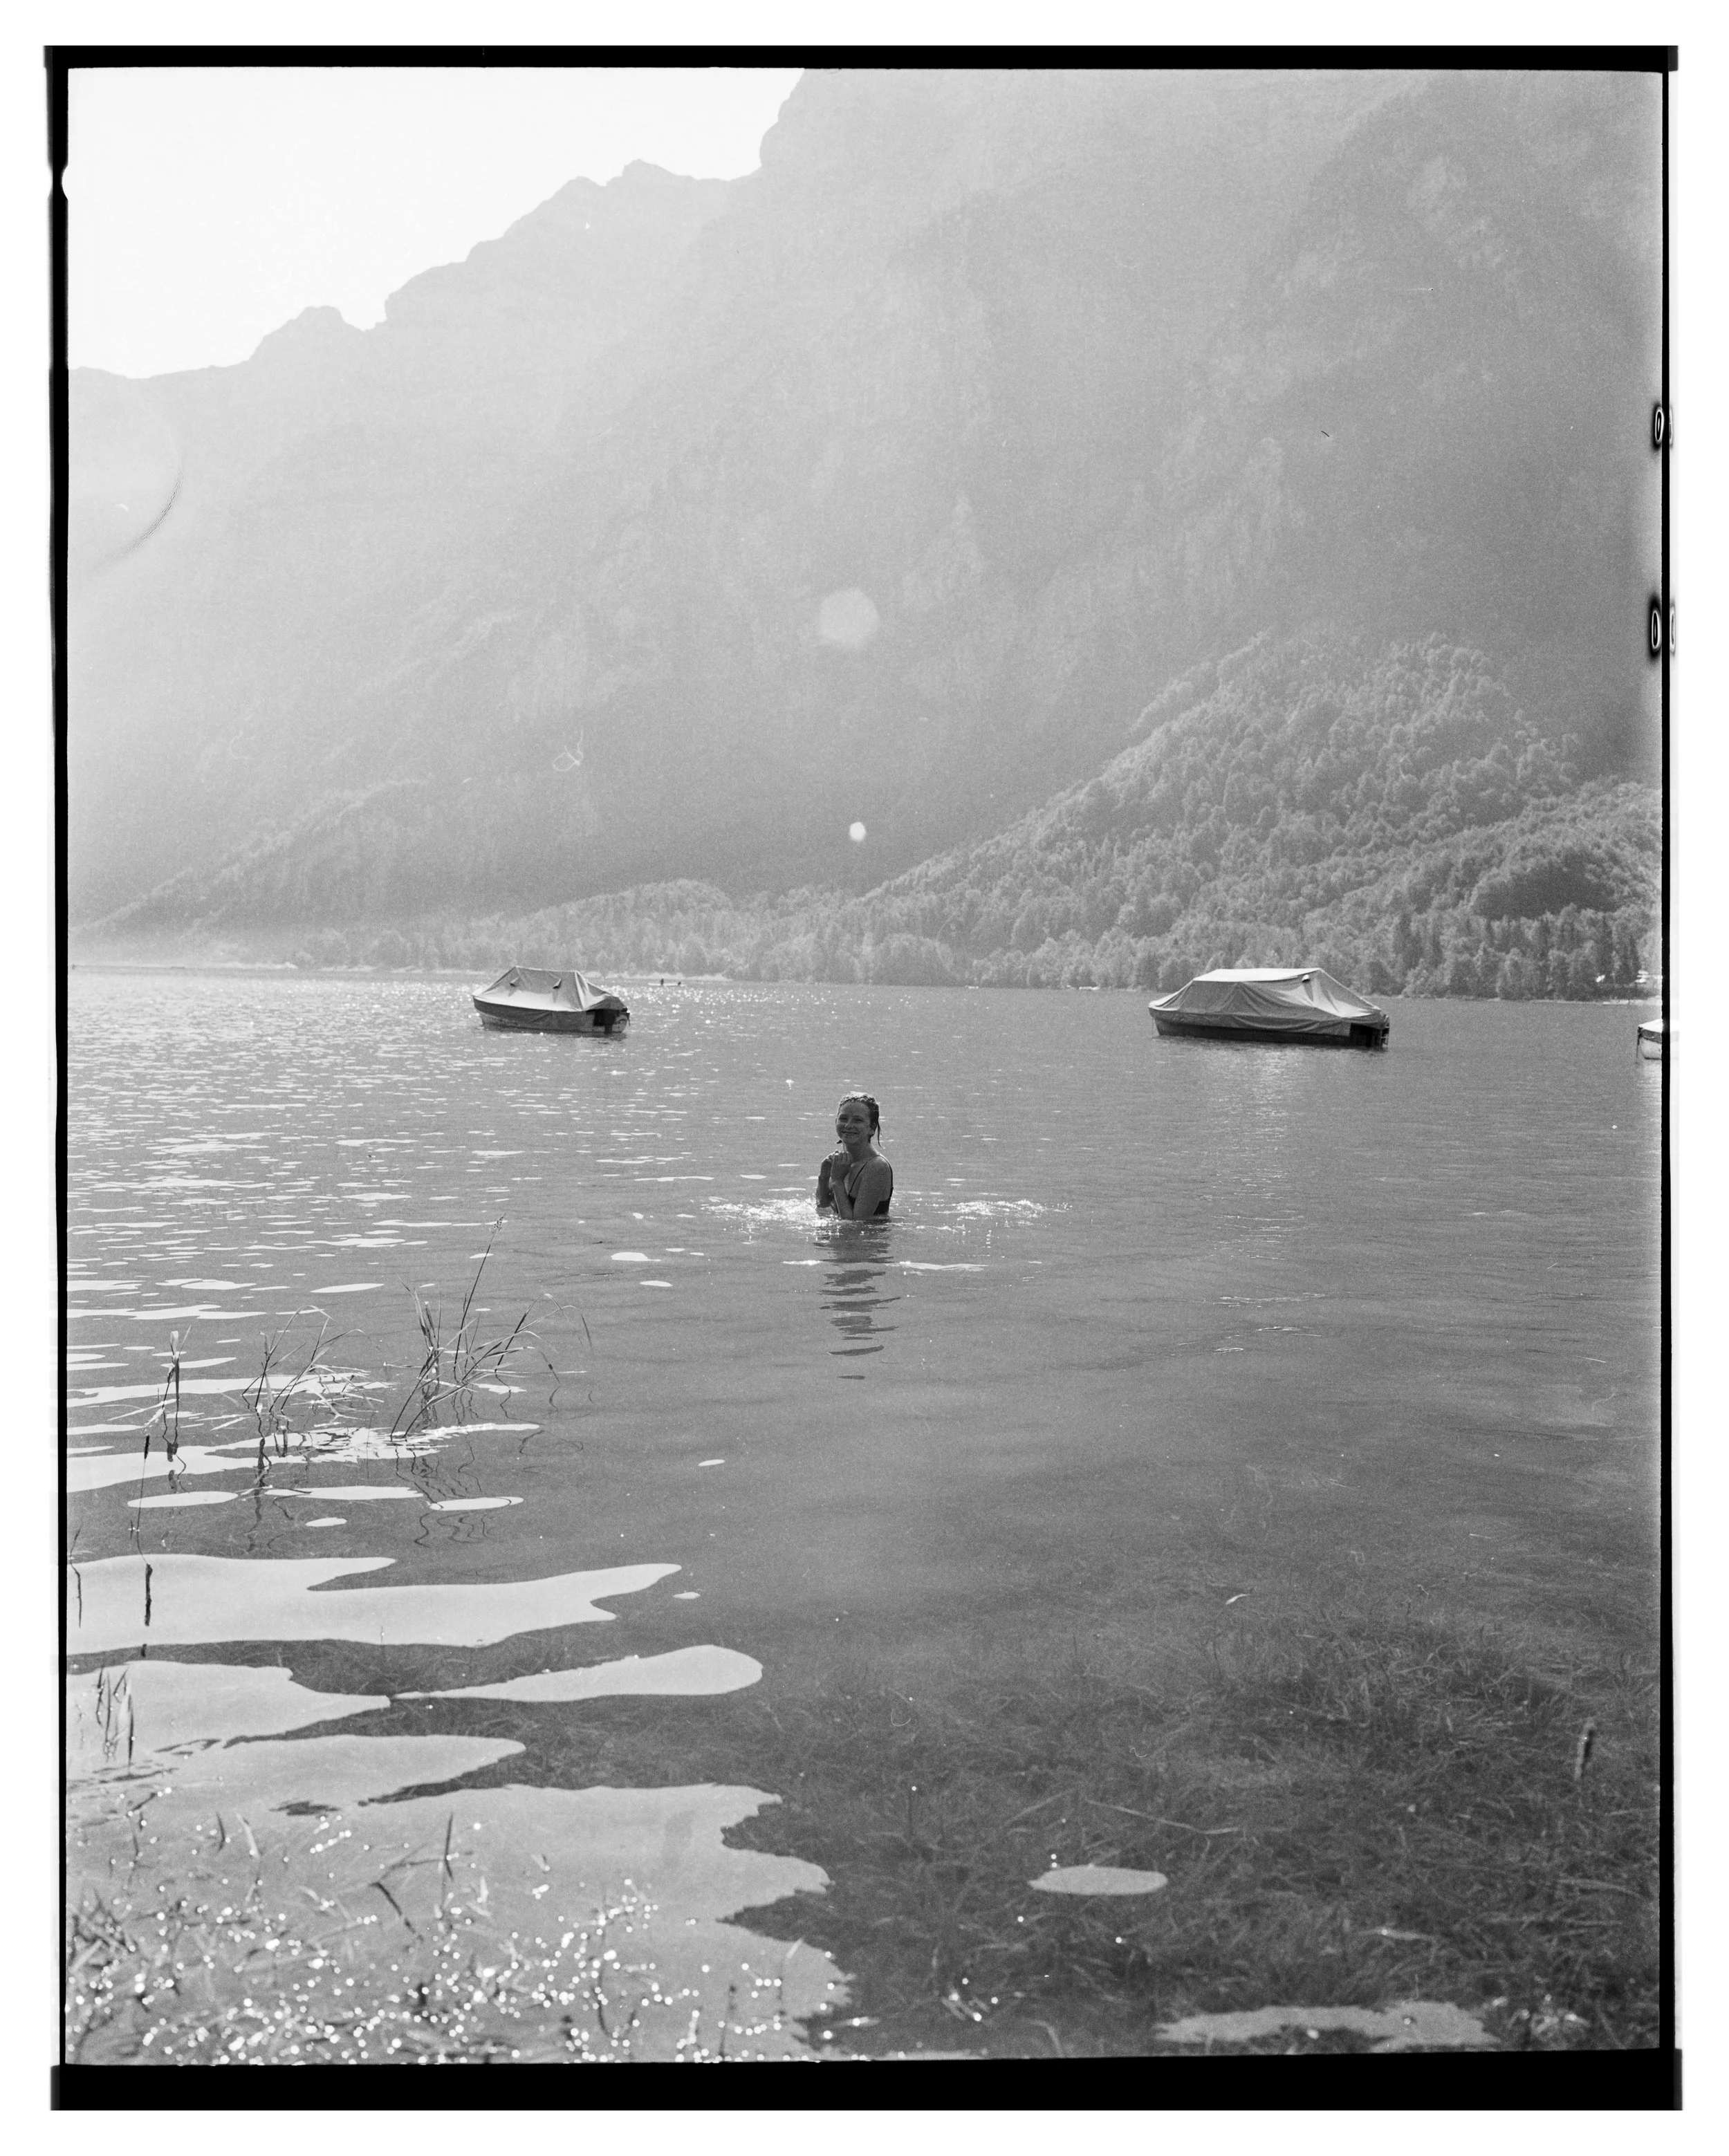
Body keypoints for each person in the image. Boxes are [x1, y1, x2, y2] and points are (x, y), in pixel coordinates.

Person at [815, 1090, 894, 1219]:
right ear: (836, 1122)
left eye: (858, 1120)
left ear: (872, 1128)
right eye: (843, 1118)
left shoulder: (877, 1167)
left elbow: (855, 1225)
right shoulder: (840, 1162)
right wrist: (823, 1176)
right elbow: (822, 1207)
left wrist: (837, 1181)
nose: (848, 1125)